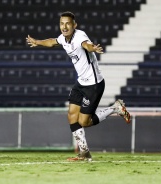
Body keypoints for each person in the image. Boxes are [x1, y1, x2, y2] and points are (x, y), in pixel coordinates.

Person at [26, 11, 131, 162]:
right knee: (71, 116)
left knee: (84, 122)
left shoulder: (80, 36)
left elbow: (85, 45)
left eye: (68, 23)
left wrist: (92, 48)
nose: (64, 26)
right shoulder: (63, 38)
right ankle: (84, 153)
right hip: (81, 82)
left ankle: (115, 108)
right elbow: (52, 41)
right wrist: (37, 42)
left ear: (74, 25)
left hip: (93, 85)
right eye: (62, 23)